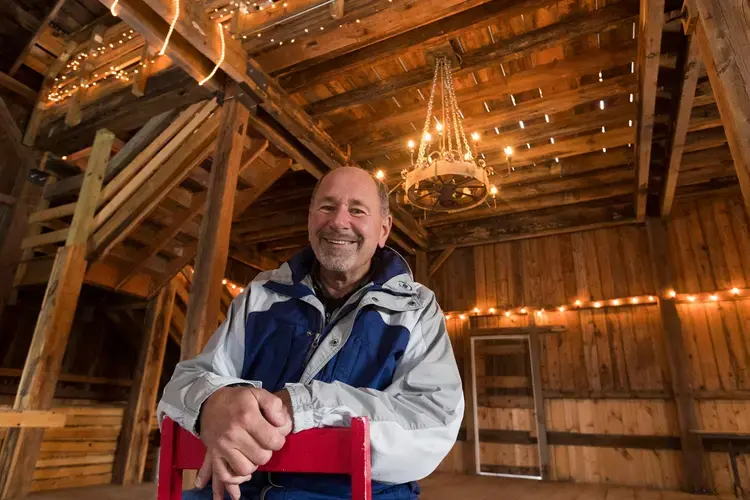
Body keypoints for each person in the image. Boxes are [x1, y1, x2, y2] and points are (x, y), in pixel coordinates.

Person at [157, 166, 464, 500]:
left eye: (357, 210)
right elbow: (181, 387)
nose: (339, 221)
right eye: (327, 207)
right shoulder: (261, 295)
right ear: (310, 220)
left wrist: (307, 404)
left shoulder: (416, 308)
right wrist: (210, 403)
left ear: (383, 230)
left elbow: (434, 422)